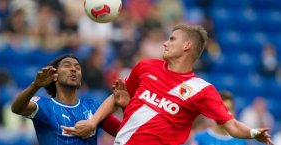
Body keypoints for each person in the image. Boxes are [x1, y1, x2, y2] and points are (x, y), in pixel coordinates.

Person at [63, 23, 273, 145]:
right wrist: (93, 122)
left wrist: (255, 133)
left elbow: (233, 126)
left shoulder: (202, 89)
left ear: (187, 45)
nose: (165, 42)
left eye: (172, 39)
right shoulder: (146, 66)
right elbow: (118, 99)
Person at [11, 54, 121, 145]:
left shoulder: (93, 107)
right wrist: (35, 86)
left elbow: (123, 132)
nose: (73, 69)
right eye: (67, 66)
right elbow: (17, 108)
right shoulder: (44, 105)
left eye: (77, 68)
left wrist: (125, 107)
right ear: (55, 76)